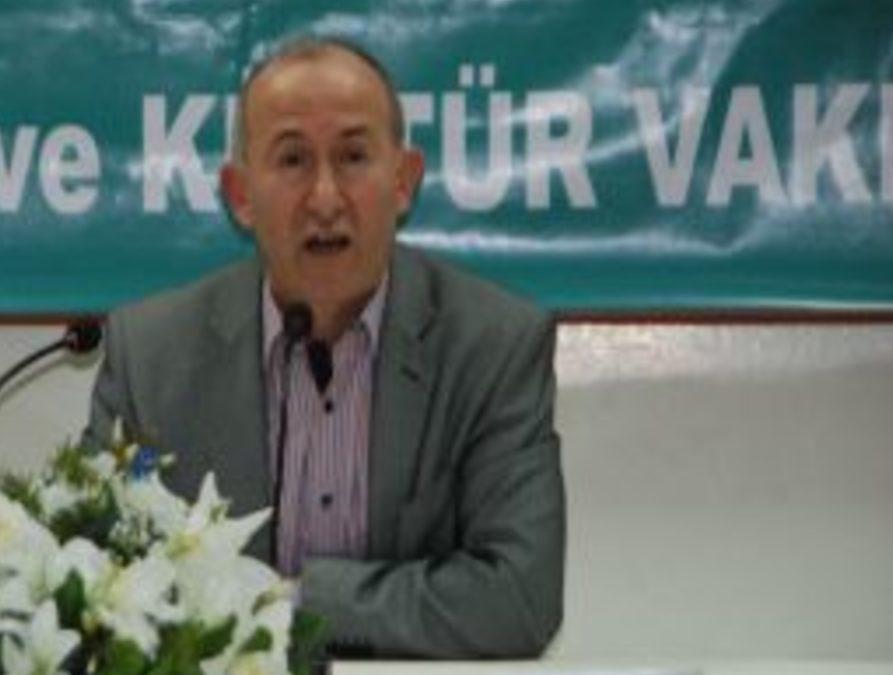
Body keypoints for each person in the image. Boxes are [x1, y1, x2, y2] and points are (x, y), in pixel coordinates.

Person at [83, 37, 565, 659]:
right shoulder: (150, 355)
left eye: (354, 157)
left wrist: (293, 601)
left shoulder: (493, 347)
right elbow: (97, 583)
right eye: (292, 160)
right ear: (239, 194)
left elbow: (519, 599)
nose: (326, 198)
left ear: (404, 181)